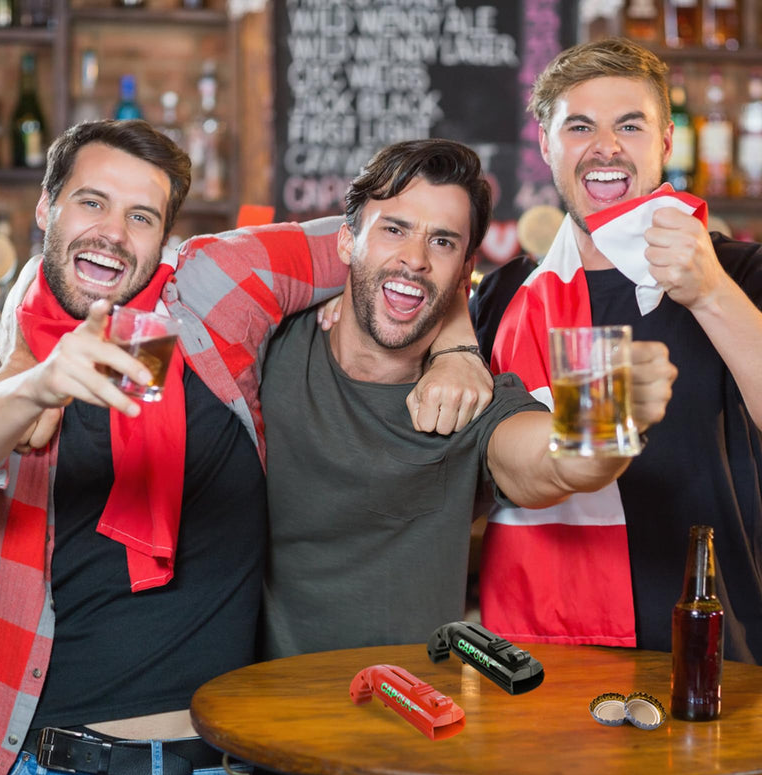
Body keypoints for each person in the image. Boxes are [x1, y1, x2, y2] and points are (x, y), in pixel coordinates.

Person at [0, 121, 521, 775]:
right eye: (90, 202)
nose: (111, 232)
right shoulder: (7, 369)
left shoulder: (216, 292)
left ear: (164, 235)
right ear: (46, 208)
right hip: (33, 773)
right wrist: (41, 382)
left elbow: (403, 254)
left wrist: (458, 340)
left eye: (139, 215)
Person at [260, 138, 676, 662]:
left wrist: (608, 418)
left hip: (415, 720)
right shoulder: (269, 348)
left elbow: (551, 467)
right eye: (394, 229)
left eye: (442, 242)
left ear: (464, 271)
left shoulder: (474, 393)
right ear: (346, 242)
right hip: (260, 716)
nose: (414, 259)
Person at [470, 38, 762, 665]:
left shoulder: (740, 270)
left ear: (662, 145)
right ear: (546, 145)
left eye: (629, 125)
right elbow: (491, 470)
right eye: (580, 126)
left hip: (718, 649)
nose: (605, 146)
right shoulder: (502, 296)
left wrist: (711, 294)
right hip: (543, 660)